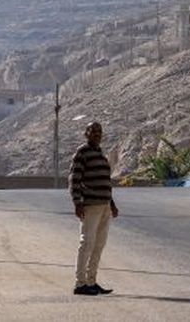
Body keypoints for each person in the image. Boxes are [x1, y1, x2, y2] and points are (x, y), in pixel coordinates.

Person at [69, 121, 118, 296]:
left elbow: (106, 182)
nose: (97, 134)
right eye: (93, 131)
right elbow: (74, 179)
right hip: (90, 205)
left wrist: (112, 204)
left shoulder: (100, 154)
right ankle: (80, 283)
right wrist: (77, 202)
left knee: (99, 245)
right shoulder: (82, 153)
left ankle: (92, 281)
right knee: (87, 243)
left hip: (104, 206)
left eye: (99, 131)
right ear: (86, 133)